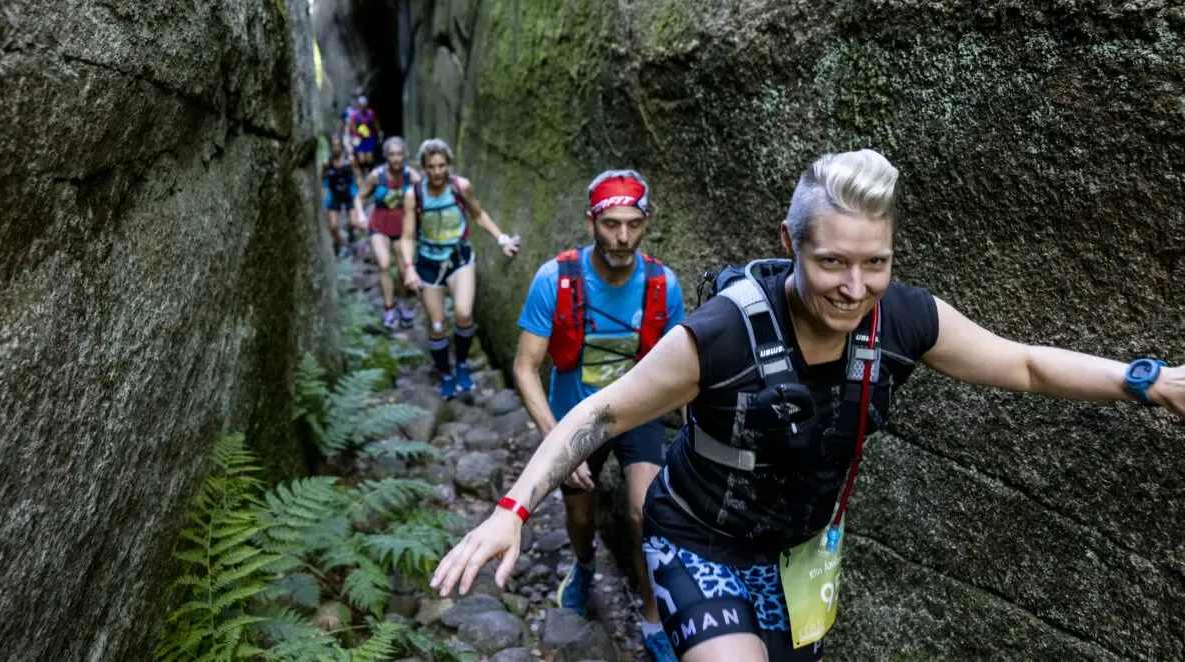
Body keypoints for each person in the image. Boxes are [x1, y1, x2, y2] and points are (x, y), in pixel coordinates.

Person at [430, 149, 1185, 662]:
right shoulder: (721, 333)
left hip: (803, 548)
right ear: (788, 244)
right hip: (699, 536)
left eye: (875, 263)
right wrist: (513, 509)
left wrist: (1148, 379)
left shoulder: (907, 320)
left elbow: (1023, 364)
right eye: (831, 261)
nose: (854, 287)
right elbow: (599, 414)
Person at [512, 169, 685, 662]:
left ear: (646, 221)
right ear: (591, 221)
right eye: (611, 223)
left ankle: (653, 613)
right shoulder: (556, 279)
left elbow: (682, 363)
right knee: (580, 512)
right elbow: (525, 368)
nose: (623, 237)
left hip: (637, 410)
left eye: (633, 223)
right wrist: (555, 441)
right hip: (574, 416)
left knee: (643, 510)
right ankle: (584, 565)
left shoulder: (662, 284)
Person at [400, 138, 521, 400]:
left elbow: (478, 214)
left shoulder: (460, 186)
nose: (436, 172)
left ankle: (462, 364)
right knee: (437, 323)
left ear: (449, 164)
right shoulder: (414, 195)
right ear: (423, 167)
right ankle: (445, 372)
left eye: (441, 165)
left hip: (459, 258)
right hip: (428, 263)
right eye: (431, 166)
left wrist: (502, 239)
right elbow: (407, 236)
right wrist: (409, 268)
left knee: (464, 314)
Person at [353, 136, 420, 330]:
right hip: (379, 226)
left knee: (402, 270)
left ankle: (404, 305)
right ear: (386, 156)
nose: (396, 158)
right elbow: (359, 197)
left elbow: (424, 194)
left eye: (399, 154)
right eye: (392, 154)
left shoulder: (411, 175)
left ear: (405, 155)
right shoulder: (377, 175)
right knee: (384, 265)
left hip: (402, 229)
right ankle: (389, 309)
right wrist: (360, 214)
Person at [321, 137, 357, 258]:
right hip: (335, 195)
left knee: (353, 222)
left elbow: (356, 175)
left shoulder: (349, 161)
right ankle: (341, 245)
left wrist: (359, 193)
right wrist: (324, 169)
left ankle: (351, 233)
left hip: (348, 193)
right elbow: (322, 177)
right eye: (333, 146)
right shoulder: (328, 162)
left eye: (338, 145)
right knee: (333, 226)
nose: (336, 148)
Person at [341, 93, 381, 169]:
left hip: (369, 137)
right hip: (358, 138)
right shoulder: (354, 114)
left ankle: (369, 172)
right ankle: (362, 174)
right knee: (361, 159)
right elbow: (350, 126)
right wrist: (349, 137)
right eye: (361, 105)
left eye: (364, 105)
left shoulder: (370, 113)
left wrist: (379, 132)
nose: (363, 107)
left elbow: (375, 123)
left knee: (369, 158)